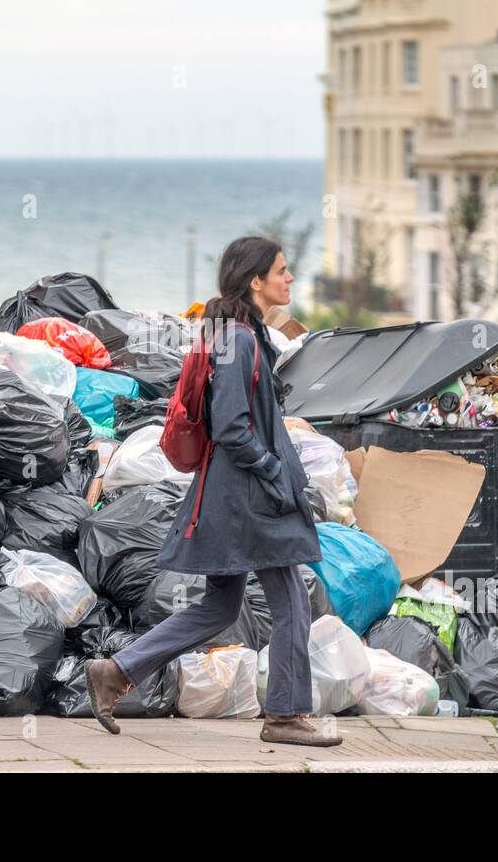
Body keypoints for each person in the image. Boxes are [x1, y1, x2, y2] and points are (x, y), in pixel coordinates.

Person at [85, 236, 340, 747]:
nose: (290, 279)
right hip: (251, 496)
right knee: (290, 600)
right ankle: (285, 716)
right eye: (282, 271)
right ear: (255, 280)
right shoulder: (240, 338)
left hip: (233, 492)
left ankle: (115, 672)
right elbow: (229, 426)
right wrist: (272, 470)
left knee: (221, 607)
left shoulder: (237, 334)